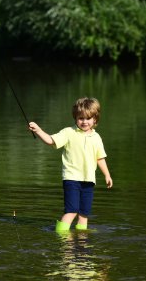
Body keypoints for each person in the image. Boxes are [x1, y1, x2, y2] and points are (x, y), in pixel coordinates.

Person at [29, 97, 113, 232]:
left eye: (88, 118)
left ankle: (82, 242)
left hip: (89, 180)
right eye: (81, 118)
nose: (84, 121)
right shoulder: (69, 132)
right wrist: (38, 130)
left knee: (84, 214)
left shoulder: (97, 138)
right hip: (72, 178)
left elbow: (100, 158)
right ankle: (62, 238)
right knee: (72, 211)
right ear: (75, 118)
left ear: (95, 119)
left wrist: (107, 175)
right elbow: (51, 141)